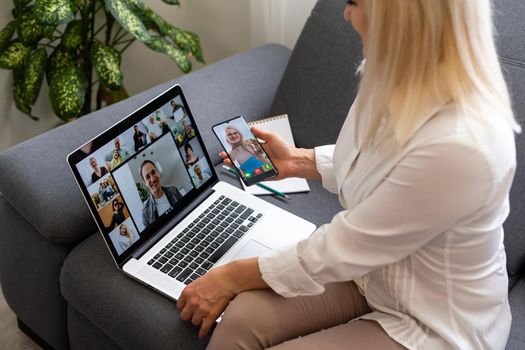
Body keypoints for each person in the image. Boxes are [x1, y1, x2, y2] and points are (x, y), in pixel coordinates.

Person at [176, 1, 520, 349]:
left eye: (354, 2)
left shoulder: (463, 146)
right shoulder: (388, 70)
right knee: (242, 320)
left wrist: (232, 276)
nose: (345, 14)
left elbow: (348, 245)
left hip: (435, 322)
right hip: (371, 276)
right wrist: (300, 161)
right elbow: (379, 171)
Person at [140, 160, 182, 227]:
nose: (152, 179)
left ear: (158, 173)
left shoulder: (174, 190)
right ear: (145, 183)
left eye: (153, 172)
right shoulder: (145, 213)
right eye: (148, 177)